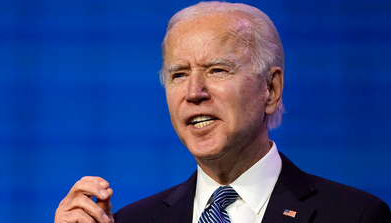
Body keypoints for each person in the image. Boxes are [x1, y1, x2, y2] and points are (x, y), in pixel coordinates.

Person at [54, 2, 391, 223]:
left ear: (270, 90)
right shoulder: (132, 220)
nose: (194, 92)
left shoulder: (355, 215)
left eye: (217, 70)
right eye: (179, 74)